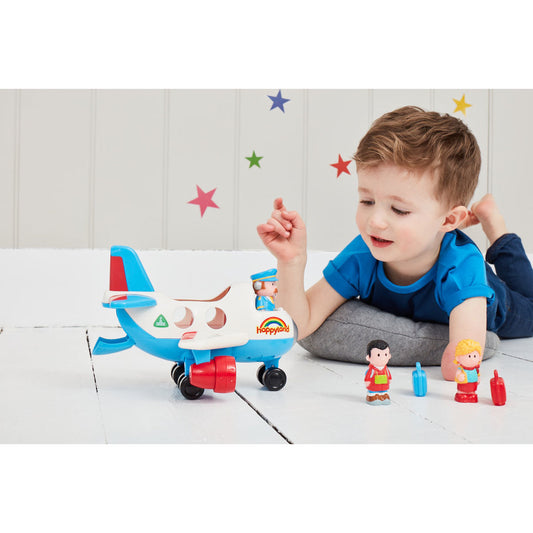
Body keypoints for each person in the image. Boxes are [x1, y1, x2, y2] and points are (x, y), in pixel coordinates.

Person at [257, 106, 533, 381]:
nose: (375, 221)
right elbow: (297, 325)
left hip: (500, 305)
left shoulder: (462, 266)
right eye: (367, 201)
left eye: (399, 210)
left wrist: (457, 356)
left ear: (449, 219)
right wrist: (291, 262)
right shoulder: (362, 254)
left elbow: (462, 365)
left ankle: (497, 230)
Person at [454, 338, 482, 403]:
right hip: (463, 385)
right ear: (458, 358)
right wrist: (459, 376)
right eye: (469, 356)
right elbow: (458, 374)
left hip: (472, 384)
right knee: (462, 390)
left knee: (472, 390)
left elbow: (478, 374)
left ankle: (471, 394)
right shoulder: (461, 369)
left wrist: (478, 379)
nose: (472, 359)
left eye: (474, 356)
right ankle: (461, 394)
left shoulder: (475, 369)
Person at [364, 339, 392, 405]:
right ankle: (373, 397)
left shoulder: (386, 369)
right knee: (373, 392)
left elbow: (388, 375)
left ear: (389, 356)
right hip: (373, 386)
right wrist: (367, 381)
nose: (382, 358)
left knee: (384, 392)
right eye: (378, 355)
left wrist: (389, 379)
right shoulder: (372, 370)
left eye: (385, 354)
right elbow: (368, 376)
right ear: (368, 358)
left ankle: (383, 395)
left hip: (384, 385)